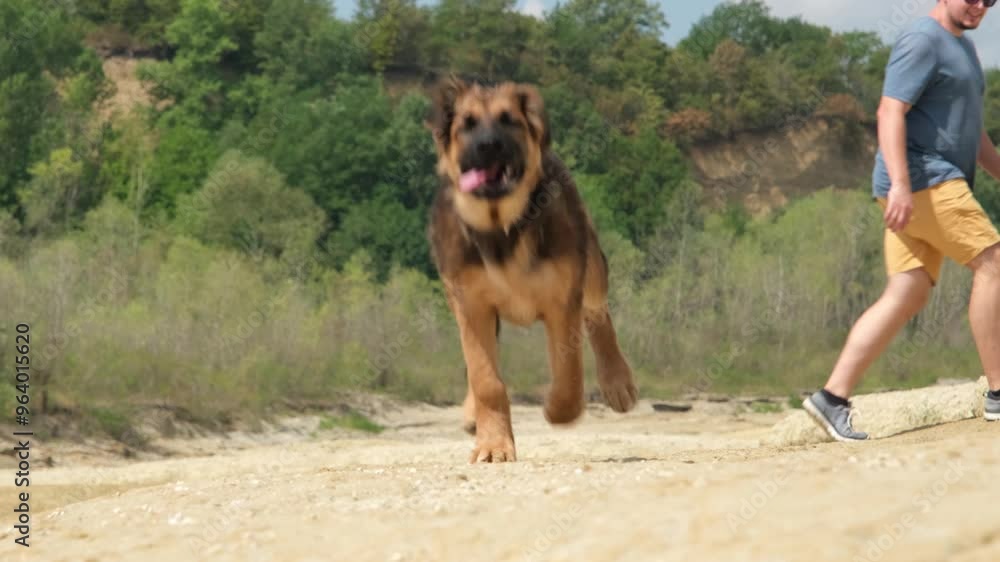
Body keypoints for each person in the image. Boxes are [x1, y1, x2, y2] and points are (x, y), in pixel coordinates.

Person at [804, 0, 1000, 441]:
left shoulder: (965, 50)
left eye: (991, 0)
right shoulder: (921, 39)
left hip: (922, 184)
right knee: (993, 262)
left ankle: (831, 398)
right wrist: (899, 184)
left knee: (906, 292)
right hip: (923, 180)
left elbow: (974, 133)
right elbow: (889, 111)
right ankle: (998, 392)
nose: (980, 6)